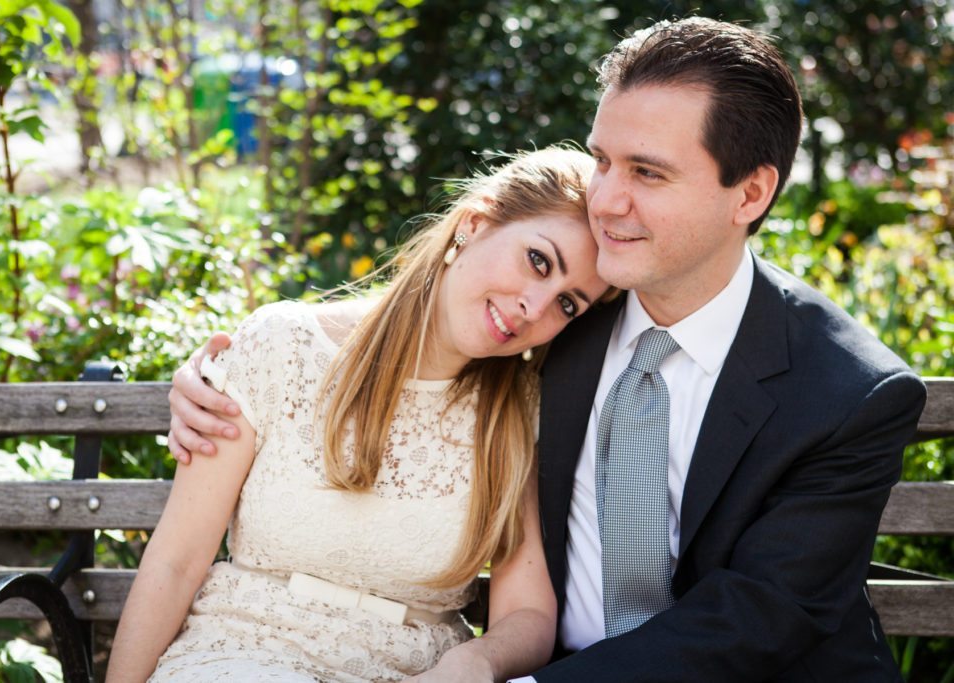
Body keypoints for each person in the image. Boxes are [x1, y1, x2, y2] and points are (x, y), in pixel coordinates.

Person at [170, 18, 928, 681]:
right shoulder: (550, 325)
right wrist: (216, 371)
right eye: (604, 160)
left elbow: (760, 617)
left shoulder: (848, 393)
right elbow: (396, 340)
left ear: (750, 195)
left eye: (647, 173)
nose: (606, 200)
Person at [107, 146, 612, 682]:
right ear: (474, 222)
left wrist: (477, 660)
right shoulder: (282, 348)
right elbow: (176, 561)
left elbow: (526, 612)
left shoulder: (516, 415)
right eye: (538, 261)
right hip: (241, 655)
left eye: (567, 304)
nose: (534, 307)